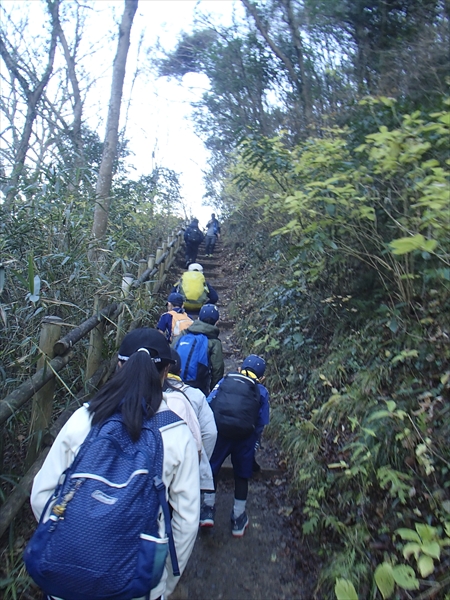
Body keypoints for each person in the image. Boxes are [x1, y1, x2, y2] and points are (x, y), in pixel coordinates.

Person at [30, 328, 200, 600]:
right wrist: (164, 582)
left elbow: (41, 494)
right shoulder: (177, 434)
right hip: (135, 586)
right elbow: (187, 521)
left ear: (120, 365)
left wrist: (75, 542)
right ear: (166, 371)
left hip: (67, 581)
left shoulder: (84, 418)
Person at [203, 354, 270, 537]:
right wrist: (254, 440)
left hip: (221, 432)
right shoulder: (262, 391)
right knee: (242, 476)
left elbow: (209, 402)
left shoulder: (226, 379)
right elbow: (262, 421)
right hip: (245, 438)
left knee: (212, 469)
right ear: (262, 377)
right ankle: (238, 519)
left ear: (240, 369)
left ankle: (208, 510)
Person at [165, 348, 218, 522]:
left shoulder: (147, 393)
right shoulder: (195, 395)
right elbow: (211, 433)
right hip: (186, 459)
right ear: (179, 371)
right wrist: (201, 458)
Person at [173, 303, 224, 396]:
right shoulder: (214, 342)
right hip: (197, 388)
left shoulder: (184, 334)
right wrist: (213, 392)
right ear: (217, 322)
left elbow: (171, 351)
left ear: (198, 318)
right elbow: (217, 370)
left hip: (174, 383)